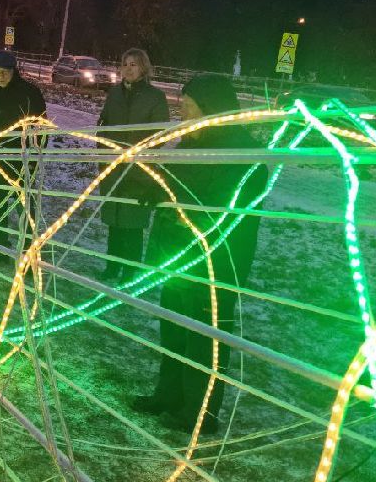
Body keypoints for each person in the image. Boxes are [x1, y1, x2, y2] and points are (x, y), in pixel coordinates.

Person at [130, 74, 268, 434]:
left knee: (204, 338)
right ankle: (169, 394)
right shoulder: (193, 143)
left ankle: (201, 412)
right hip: (177, 257)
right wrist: (154, 187)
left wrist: (174, 203)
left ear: (211, 108)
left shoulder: (243, 156)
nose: (182, 114)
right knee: (174, 328)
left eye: (187, 107)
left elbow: (220, 209)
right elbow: (175, 183)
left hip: (215, 264)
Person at [97, 48, 169, 280]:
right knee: (114, 220)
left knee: (133, 222)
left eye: (133, 65)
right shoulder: (114, 94)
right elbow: (104, 124)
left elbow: (158, 135)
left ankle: (130, 268)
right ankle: (112, 264)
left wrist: (139, 154)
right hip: (113, 164)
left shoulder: (155, 97)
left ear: (143, 68)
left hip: (139, 168)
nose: (128, 69)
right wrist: (104, 152)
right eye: (125, 64)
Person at [0, 50, 47, 264]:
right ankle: (0, 246)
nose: (0, 76)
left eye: (4, 71)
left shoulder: (30, 92)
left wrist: (36, 153)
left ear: (14, 71)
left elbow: (41, 126)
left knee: (24, 208)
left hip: (22, 160)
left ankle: (29, 254)